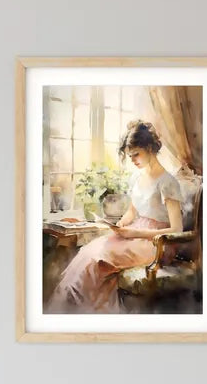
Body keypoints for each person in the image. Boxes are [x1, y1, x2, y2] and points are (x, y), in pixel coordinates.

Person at [46, 120, 184, 314]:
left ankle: (83, 311)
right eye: (130, 156)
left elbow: (177, 229)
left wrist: (134, 232)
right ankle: (72, 310)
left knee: (97, 260)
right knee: (87, 253)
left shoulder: (167, 182)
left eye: (136, 154)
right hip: (135, 234)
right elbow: (132, 212)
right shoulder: (137, 178)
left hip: (157, 243)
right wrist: (121, 224)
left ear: (149, 148)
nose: (133, 160)